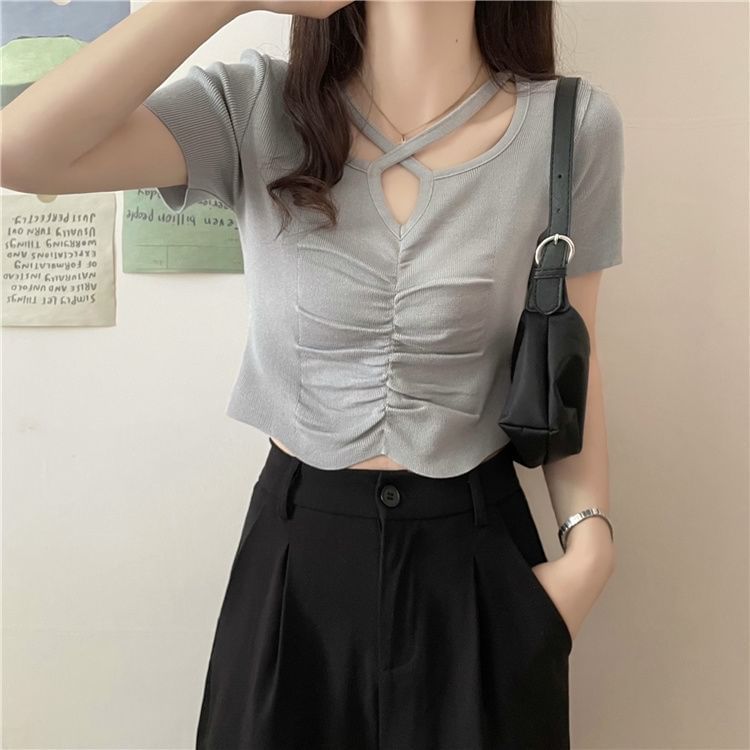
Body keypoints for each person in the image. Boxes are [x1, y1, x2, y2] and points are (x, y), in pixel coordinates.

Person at [1, 1, 623, 747]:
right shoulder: (252, 108)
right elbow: (21, 151)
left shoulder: (570, 127)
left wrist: (589, 549)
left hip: (476, 570)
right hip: (296, 571)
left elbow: (575, 357)